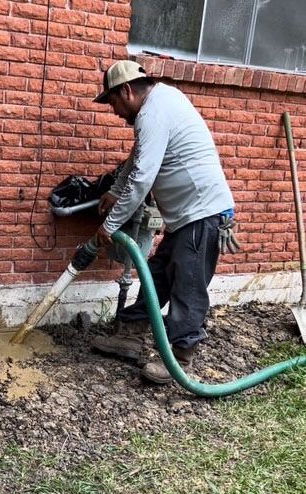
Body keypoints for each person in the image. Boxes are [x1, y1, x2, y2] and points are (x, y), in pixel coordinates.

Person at [91, 60, 238, 384]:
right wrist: (115, 190)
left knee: (187, 284)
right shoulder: (158, 104)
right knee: (157, 275)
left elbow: (143, 178)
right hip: (188, 217)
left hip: (203, 214)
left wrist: (110, 225)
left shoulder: (153, 111)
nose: (114, 111)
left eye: (113, 102)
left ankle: (180, 356)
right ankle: (131, 334)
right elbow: (138, 157)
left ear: (126, 91)